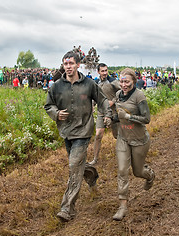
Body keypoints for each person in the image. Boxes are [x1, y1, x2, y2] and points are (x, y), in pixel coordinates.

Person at [44, 51, 112, 222]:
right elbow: (48, 105)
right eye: (65, 64)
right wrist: (56, 113)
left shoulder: (89, 84)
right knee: (78, 166)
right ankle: (92, 176)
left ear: (78, 65)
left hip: (83, 130)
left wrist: (107, 114)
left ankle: (67, 207)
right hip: (66, 131)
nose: (68, 67)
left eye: (71, 64)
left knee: (74, 166)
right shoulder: (57, 86)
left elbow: (103, 100)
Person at [112, 68, 155, 221]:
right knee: (122, 170)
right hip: (123, 138)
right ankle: (122, 206)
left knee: (137, 172)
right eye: (121, 81)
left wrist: (128, 116)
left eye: (127, 82)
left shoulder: (139, 96)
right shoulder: (118, 95)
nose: (123, 85)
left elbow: (147, 119)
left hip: (139, 139)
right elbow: (118, 115)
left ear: (133, 82)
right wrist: (112, 118)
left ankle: (149, 175)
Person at [89, 63, 121, 165]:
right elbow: (94, 96)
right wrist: (92, 106)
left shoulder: (113, 81)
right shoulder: (96, 83)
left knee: (118, 136)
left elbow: (122, 92)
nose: (105, 73)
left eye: (106, 70)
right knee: (98, 135)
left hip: (114, 112)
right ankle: (95, 159)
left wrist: (113, 101)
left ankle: (124, 155)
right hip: (101, 112)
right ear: (98, 72)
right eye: (102, 71)